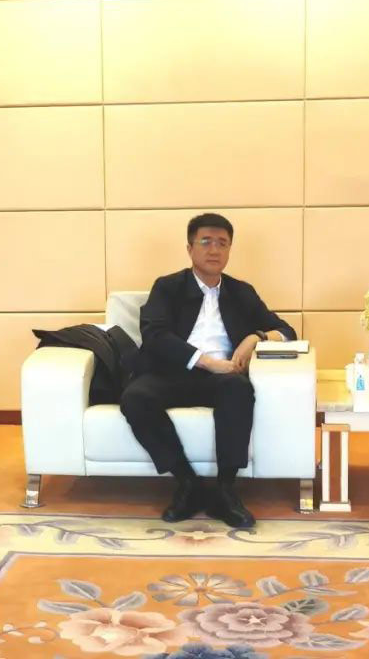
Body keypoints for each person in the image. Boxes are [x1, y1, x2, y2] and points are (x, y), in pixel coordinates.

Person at [120, 213, 296, 528]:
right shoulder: (168, 287)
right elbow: (155, 335)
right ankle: (188, 483)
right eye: (205, 242)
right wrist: (205, 361)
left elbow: (287, 331)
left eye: (222, 243)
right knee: (136, 397)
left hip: (223, 377)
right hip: (172, 372)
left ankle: (226, 490)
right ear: (190, 248)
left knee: (239, 389)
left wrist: (256, 338)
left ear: (229, 250)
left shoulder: (241, 292)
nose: (214, 250)